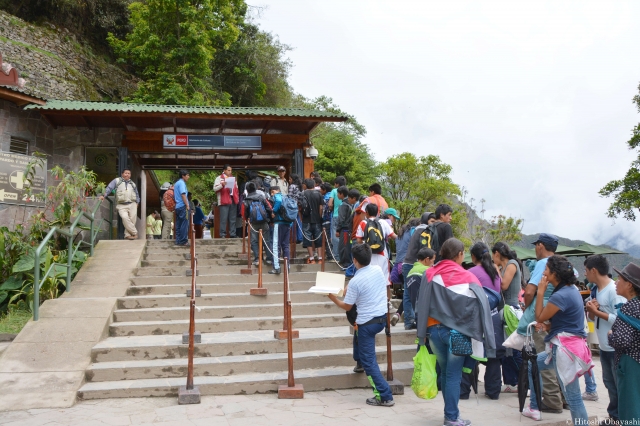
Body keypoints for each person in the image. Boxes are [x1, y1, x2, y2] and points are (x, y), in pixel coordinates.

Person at [416, 238, 496, 426]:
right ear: (460, 255)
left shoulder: (429, 274)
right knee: (453, 374)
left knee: (445, 372)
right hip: (457, 334)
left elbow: (421, 305)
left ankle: (450, 412)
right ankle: (451, 417)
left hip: (434, 332)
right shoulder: (468, 277)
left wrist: (421, 335)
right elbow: (479, 308)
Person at [523, 255, 589, 423]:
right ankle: (534, 405)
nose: (543, 273)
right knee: (533, 365)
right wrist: (549, 327)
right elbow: (567, 320)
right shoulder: (571, 289)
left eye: (546, 270)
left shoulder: (560, 296)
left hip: (564, 349)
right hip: (565, 346)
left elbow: (538, 316)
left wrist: (541, 292)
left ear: (554, 274)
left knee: (573, 397)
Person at [327, 243, 395, 407]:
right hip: (380, 319)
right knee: (359, 337)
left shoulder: (356, 281)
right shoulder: (377, 270)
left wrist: (332, 297)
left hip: (367, 323)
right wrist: (347, 287)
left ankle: (384, 395)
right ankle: (358, 358)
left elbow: (347, 306)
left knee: (369, 361)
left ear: (354, 260)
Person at [517, 233, 566, 414]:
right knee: (558, 359)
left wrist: (527, 309)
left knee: (544, 358)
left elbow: (530, 291)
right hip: (558, 314)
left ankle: (552, 400)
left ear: (540, 246)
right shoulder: (563, 264)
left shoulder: (542, 264)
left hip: (542, 314)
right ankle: (563, 398)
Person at [583, 255, 624, 424]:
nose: (585, 274)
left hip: (616, 348)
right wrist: (591, 311)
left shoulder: (614, 290)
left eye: (586, 271)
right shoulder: (596, 290)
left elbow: (622, 318)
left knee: (619, 386)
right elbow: (594, 319)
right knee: (609, 384)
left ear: (594, 270)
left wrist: (597, 312)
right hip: (604, 347)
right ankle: (614, 416)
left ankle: (621, 417)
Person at [464, 242, 503, 401]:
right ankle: (493, 392)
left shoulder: (471, 272)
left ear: (473, 257)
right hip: (494, 317)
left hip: (477, 317)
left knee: (471, 353)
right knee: (493, 355)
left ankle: (465, 390)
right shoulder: (495, 271)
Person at [608, 262, 640, 424]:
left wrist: (611, 335)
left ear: (629, 285)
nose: (615, 282)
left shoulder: (628, 308)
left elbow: (622, 341)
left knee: (630, 407)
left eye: (619, 279)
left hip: (630, 364)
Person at [491, 241, 524, 393]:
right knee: (506, 349)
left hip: (511, 309)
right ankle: (511, 382)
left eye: (493, 256)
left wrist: (496, 270)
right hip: (504, 309)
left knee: (514, 348)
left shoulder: (511, 264)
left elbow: (503, 285)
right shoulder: (504, 266)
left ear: (497, 253)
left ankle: (521, 381)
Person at [400, 212, 436, 330]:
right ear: (426, 221)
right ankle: (413, 319)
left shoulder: (416, 229)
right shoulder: (424, 231)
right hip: (413, 264)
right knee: (412, 294)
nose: (433, 224)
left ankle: (409, 321)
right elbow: (424, 250)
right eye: (431, 221)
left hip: (407, 263)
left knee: (407, 293)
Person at [390, 246, 436, 326]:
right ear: (427, 259)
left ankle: (399, 314)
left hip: (418, 316)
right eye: (433, 261)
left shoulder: (410, 273)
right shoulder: (428, 271)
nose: (433, 264)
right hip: (428, 318)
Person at [355, 203, 396, 283]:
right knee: (385, 281)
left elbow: (359, 241)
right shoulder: (383, 222)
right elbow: (393, 236)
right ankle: (386, 296)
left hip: (368, 255)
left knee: (370, 280)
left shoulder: (363, 223)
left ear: (366, 212)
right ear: (377, 213)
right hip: (382, 254)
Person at [100, 169, 140, 240]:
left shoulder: (132, 184)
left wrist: (137, 202)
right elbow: (109, 188)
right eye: (126, 173)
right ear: (122, 174)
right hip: (121, 204)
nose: (127, 174)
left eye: (129, 173)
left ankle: (127, 235)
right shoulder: (117, 181)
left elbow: (136, 194)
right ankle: (134, 232)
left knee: (132, 220)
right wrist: (104, 196)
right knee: (125, 217)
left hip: (132, 204)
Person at [243, 182, 274, 266]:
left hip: (253, 223)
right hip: (264, 222)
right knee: (266, 240)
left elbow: (245, 213)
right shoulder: (261, 197)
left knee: (254, 241)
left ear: (247, 190)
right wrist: (271, 221)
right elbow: (269, 209)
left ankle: (257, 259)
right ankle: (269, 259)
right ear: (255, 188)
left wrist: (247, 220)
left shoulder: (246, 200)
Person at [301, 178, 324, 264]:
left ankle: (311, 259)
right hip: (317, 220)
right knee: (318, 239)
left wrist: (301, 217)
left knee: (308, 239)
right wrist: (319, 216)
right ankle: (320, 258)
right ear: (314, 185)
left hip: (306, 220)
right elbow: (321, 207)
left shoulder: (303, 194)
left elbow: (300, 207)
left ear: (305, 185)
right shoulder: (318, 194)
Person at [268, 186, 290, 275]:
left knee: (276, 245)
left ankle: (276, 267)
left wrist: (273, 211)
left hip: (279, 223)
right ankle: (287, 266)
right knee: (286, 246)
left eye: (272, 192)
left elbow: (278, 201)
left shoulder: (278, 196)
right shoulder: (286, 197)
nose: (272, 194)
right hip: (287, 223)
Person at [214, 164, 239, 238]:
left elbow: (236, 189)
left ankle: (232, 234)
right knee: (223, 218)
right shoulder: (219, 178)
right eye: (228, 170)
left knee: (233, 218)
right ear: (224, 170)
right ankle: (222, 234)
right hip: (223, 200)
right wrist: (222, 185)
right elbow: (215, 189)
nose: (230, 171)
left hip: (232, 199)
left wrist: (236, 196)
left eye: (231, 170)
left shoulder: (233, 178)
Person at [336, 187, 358, 268]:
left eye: (338, 193)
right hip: (349, 229)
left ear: (341, 194)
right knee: (347, 246)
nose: (337, 195)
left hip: (344, 229)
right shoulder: (351, 204)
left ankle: (345, 264)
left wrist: (338, 229)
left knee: (344, 247)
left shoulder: (343, 205)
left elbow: (341, 219)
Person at [329, 176, 347, 260]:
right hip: (345, 218)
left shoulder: (334, 191)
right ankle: (343, 256)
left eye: (335, 183)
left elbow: (330, 203)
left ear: (337, 184)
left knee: (335, 237)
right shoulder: (347, 191)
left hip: (336, 215)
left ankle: (336, 257)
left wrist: (331, 209)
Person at [173, 170, 190, 246]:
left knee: (178, 224)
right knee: (184, 224)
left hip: (177, 206)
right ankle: (183, 241)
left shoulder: (176, 184)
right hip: (183, 206)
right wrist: (187, 205)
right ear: (183, 176)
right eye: (187, 175)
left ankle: (178, 240)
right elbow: (183, 195)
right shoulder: (182, 183)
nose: (188, 177)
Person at [288, 173, 303, 244]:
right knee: (299, 221)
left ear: (293, 179)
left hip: (292, 206)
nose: (289, 180)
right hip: (299, 205)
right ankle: (300, 237)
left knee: (293, 221)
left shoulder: (292, 186)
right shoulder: (300, 186)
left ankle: (293, 237)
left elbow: (290, 196)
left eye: (290, 179)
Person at [320, 183, 333, 259]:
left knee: (327, 239)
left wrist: (320, 217)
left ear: (324, 190)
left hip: (326, 220)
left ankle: (330, 255)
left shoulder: (325, 198)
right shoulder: (332, 196)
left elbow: (323, 210)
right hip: (332, 220)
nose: (320, 191)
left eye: (321, 189)